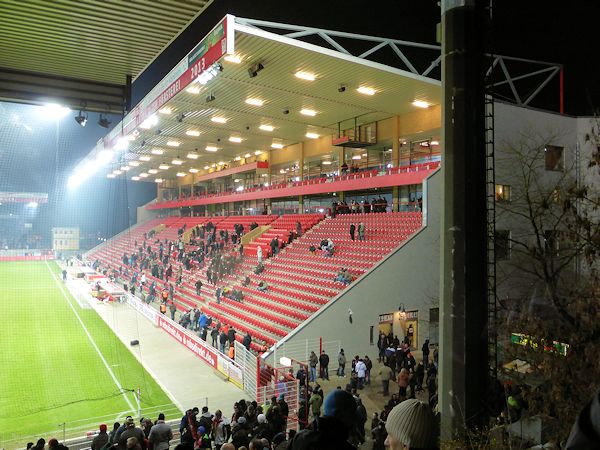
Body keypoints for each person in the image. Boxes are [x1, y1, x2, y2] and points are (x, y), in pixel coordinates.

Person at [290, 390, 357, 450]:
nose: (354, 420)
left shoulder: (299, 438)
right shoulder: (342, 446)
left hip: (314, 411)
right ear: (340, 415)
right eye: (351, 414)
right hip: (318, 410)